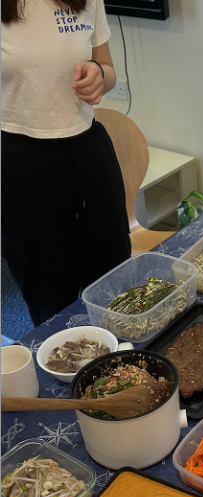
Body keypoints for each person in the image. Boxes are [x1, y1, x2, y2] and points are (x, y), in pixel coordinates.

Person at [1, 0, 131, 326]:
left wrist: (100, 75)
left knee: (116, 286)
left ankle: (127, 368)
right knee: (50, 298)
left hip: (89, 153)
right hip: (22, 163)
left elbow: (108, 68)